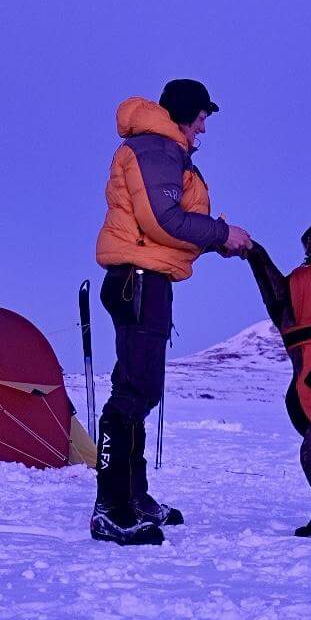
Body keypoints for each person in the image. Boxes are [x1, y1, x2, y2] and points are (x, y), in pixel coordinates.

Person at [91, 79, 253, 546]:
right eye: (202, 117)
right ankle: (111, 507)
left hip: (143, 280)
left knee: (141, 391)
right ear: (184, 113)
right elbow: (162, 220)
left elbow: (170, 224)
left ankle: (134, 498)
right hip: (138, 280)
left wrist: (216, 241)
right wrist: (222, 233)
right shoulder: (158, 148)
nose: (203, 128)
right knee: (133, 393)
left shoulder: (161, 148)